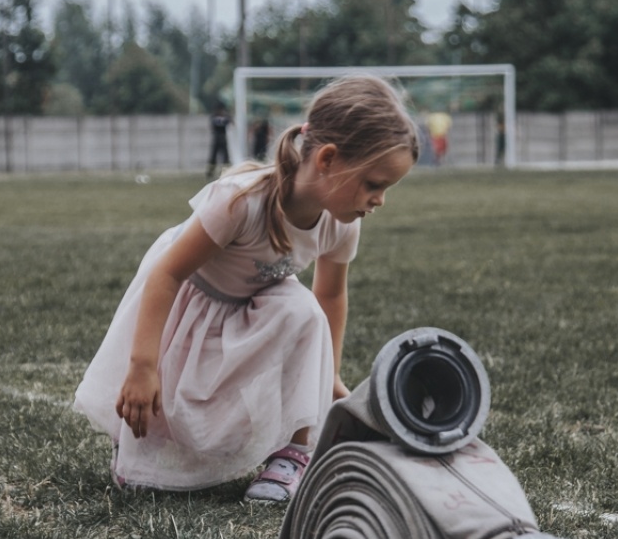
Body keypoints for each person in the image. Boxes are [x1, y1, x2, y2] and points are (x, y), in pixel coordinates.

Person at [73, 74, 419, 501]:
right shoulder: (240, 201)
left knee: (302, 306)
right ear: (328, 159)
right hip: (187, 302)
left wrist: (327, 378)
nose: (379, 200)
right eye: (374, 184)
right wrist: (143, 367)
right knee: (160, 430)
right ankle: (138, 448)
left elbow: (329, 297)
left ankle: (294, 453)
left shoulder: (341, 223)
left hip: (253, 308)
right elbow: (167, 275)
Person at [206, 102, 233, 179]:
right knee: (213, 156)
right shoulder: (215, 117)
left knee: (225, 156)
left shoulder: (224, 117)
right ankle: (210, 172)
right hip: (217, 138)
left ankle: (226, 171)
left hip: (222, 138)